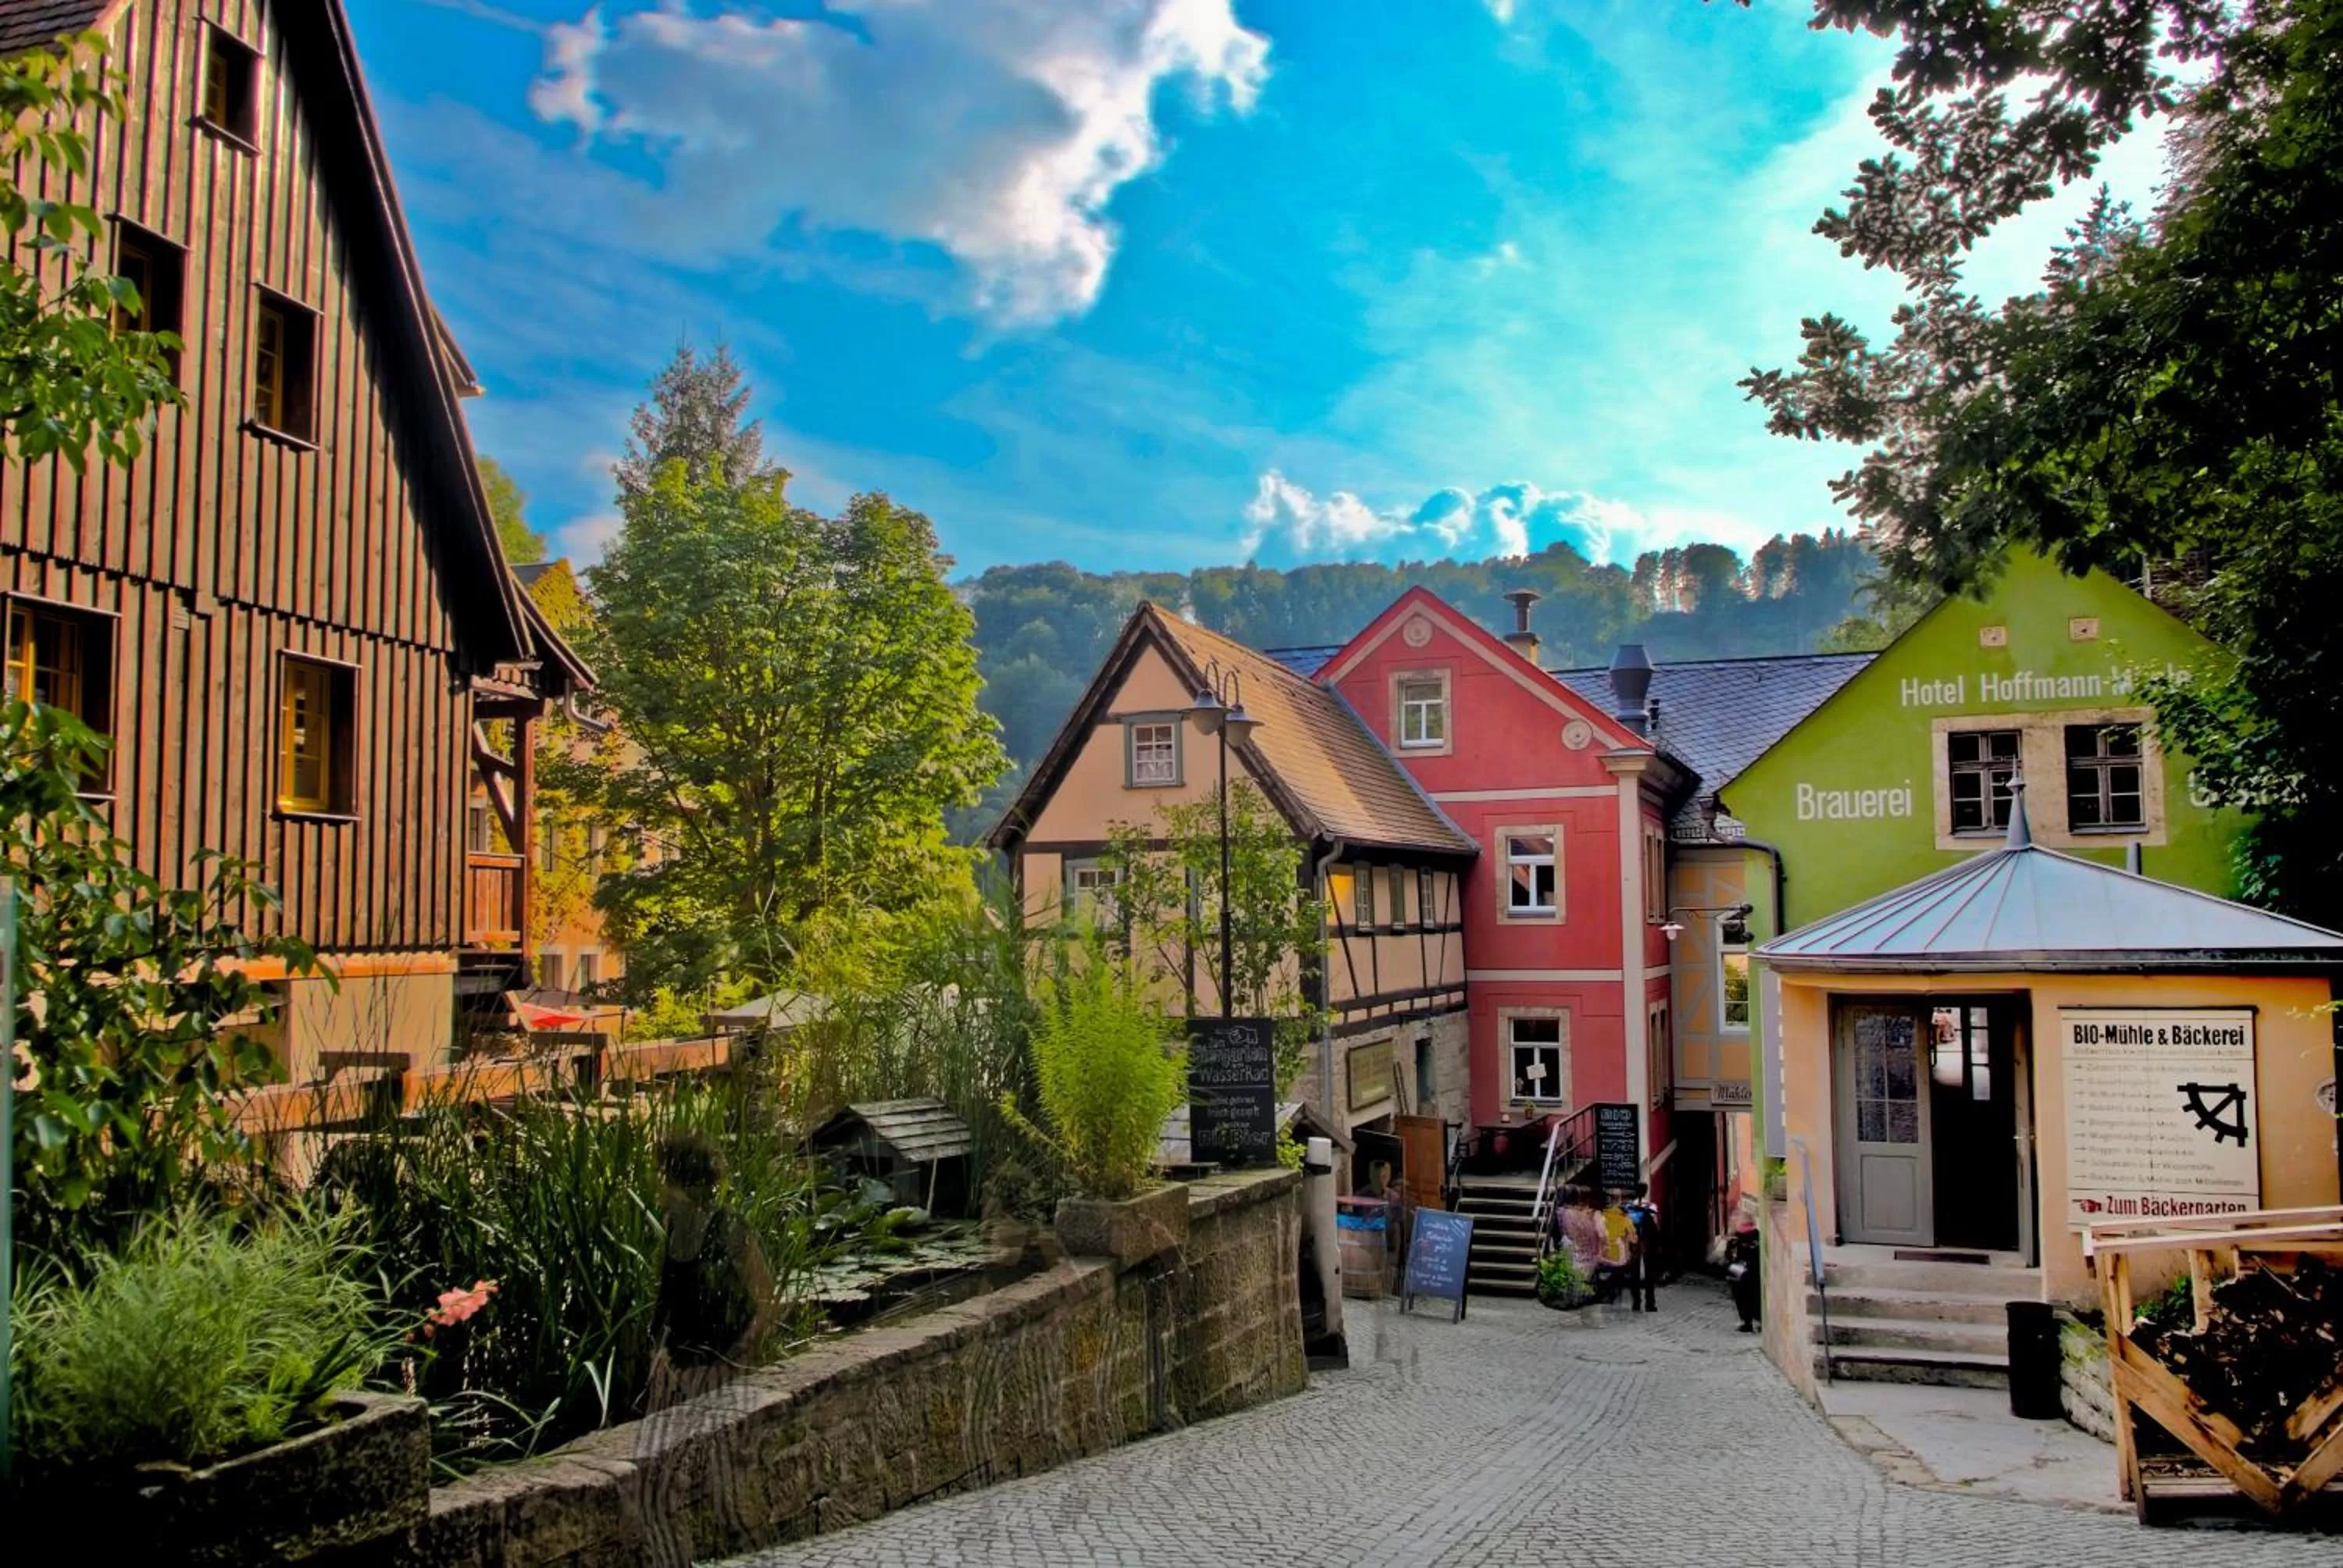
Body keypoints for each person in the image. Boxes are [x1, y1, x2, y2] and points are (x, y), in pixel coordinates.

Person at [1624, 1181, 1661, 1313]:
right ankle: (1650, 1303)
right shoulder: (1651, 1207)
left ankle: (1636, 1302)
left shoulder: (1628, 1207)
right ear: (1646, 1191)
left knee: (1634, 1272)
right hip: (1647, 1242)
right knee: (1649, 1272)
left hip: (1633, 1242)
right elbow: (1656, 1226)